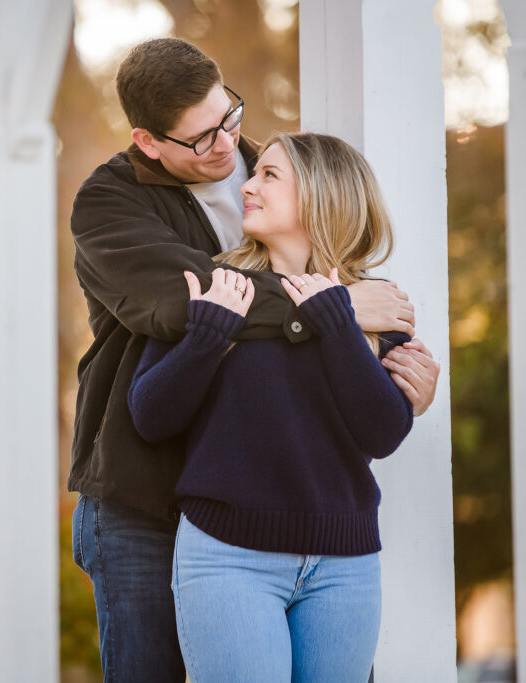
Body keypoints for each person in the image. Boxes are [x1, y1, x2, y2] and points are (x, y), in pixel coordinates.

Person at [68, 38, 441, 681]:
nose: (227, 148)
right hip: (146, 493)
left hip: (317, 534)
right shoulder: (108, 206)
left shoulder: (270, 168)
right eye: (200, 138)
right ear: (150, 142)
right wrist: (339, 308)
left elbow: (379, 424)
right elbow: (185, 304)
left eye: (229, 117)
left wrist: (399, 381)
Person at [128, 132, 414, 681]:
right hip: (228, 559)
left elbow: (382, 432)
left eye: (269, 175)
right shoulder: (214, 286)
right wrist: (208, 335)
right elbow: (151, 415)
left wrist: (338, 321)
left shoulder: (376, 306)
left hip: (344, 566)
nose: (248, 184)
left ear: (321, 195)